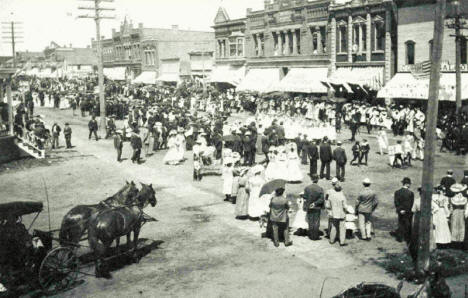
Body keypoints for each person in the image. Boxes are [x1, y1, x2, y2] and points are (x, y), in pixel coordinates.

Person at [326, 181, 348, 246]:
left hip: (333, 214)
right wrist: (347, 209)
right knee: (342, 228)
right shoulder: (342, 196)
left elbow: (327, 206)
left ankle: (331, 240)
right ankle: (342, 242)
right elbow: (345, 206)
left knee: (334, 227)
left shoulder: (331, 196)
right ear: (341, 189)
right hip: (341, 214)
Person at [303, 174, 324, 240]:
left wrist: (305, 206)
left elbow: (304, 198)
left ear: (311, 179)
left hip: (309, 207)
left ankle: (311, 235)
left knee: (310, 221)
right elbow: (321, 199)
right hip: (317, 207)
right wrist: (315, 203)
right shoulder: (320, 188)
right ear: (317, 180)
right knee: (316, 221)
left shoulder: (307, 188)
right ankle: (315, 235)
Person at [393, 177, 415, 243]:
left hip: (401, 211)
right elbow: (411, 203)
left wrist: (400, 210)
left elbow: (396, 202)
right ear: (407, 184)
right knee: (408, 225)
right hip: (408, 211)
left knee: (401, 223)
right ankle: (407, 238)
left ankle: (400, 238)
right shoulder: (411, 193)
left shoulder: (397, 192)